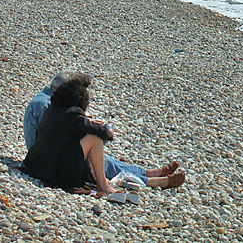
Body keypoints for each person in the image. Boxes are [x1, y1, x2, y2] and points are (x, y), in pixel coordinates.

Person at [23, 71, 183, 189]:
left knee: (101, 157)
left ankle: (148, 174)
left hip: (42, 157)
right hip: (50, 159)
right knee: (98, 155)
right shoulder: (47, 105)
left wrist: (85, 122)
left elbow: (61, 128)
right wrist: (90, 125)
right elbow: (61, 133)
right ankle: (148, 180)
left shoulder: (49, 103)